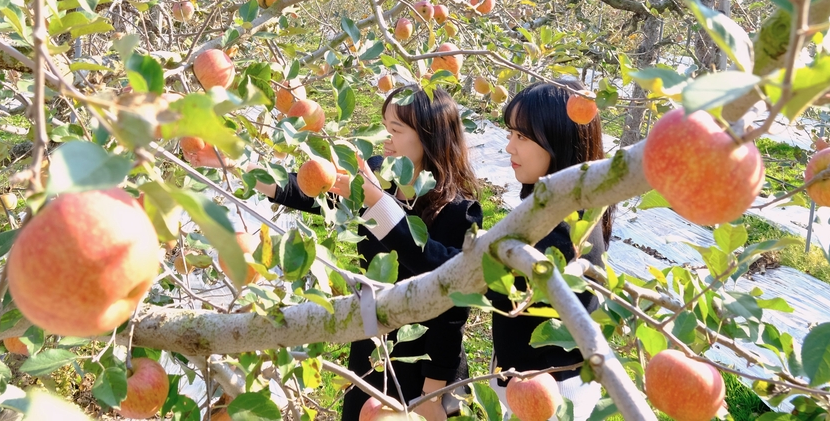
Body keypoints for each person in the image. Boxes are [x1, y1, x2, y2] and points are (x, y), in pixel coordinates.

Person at [256, 85, 483, 421]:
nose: (386, 139)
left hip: (424, 363)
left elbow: (450, 303)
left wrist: (433, 393)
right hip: (373, 344)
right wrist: (250, 173)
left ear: (428, 137)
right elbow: (315, 193)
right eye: (385, 127)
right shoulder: (378, 175)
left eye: (396, 130)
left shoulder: (458, 211)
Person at [490, 80, 613, 418]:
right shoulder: (557, 205)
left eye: (522, 137)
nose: (509, 148)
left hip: (551, 392)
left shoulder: (560, 233)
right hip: (527, 384)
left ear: (558, 140)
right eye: (510, 134)